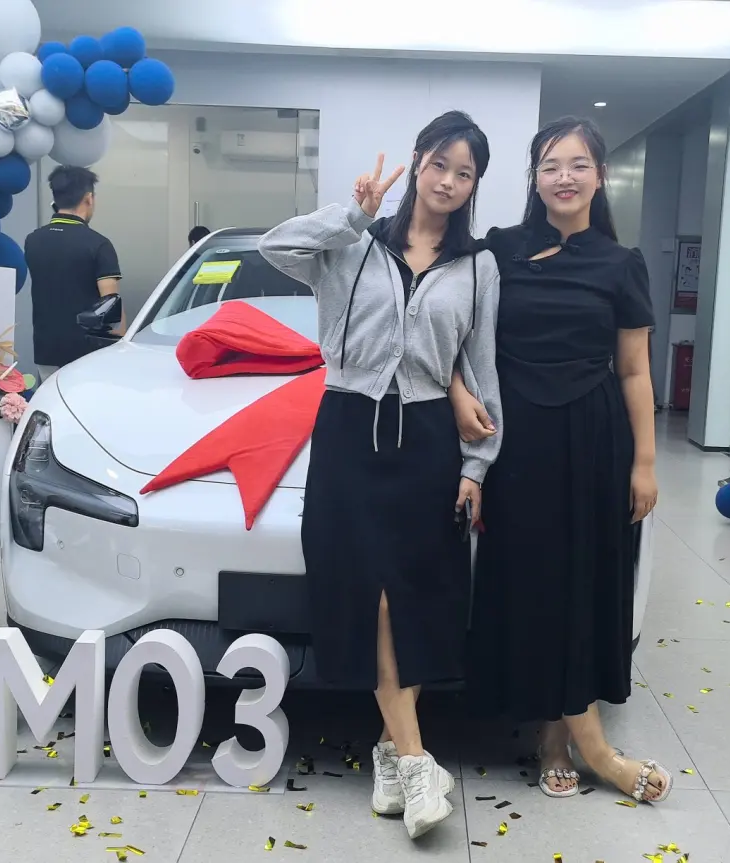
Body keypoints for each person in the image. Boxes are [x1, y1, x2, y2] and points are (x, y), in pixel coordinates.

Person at [259, 111, 501, 840]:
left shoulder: (478, 266)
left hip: (428, 437)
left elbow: (481, 366)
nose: (448, 181)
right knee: (370, 594)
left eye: (465, 173)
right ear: (418, 161)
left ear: (475, 185)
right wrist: (353, 214)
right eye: (440, 164)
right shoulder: (352, 244)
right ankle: (419, 760)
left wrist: (477, 465)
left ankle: (396, 755)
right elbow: (276, 246)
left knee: (413, 595)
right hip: (348, 428)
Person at [449, 116, 669, 804]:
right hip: (517, 439)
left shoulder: (621, 263)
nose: (564, 177)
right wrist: (459, 394)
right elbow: (451, 330)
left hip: (594, 436)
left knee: (584, 583)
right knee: (533, 582)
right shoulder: (498, 249)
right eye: (550, 165)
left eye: (577, 165)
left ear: (599, 176)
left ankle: (560, 739)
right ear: (534, 179)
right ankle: (574, 737)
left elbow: (634, 370)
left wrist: (644, 462)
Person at [25, 166, 124, 381]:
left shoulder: (33, 240)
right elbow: (111, 308)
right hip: (87, 354)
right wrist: (122, 347)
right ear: (88, 198)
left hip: (45, 350)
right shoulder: (99, 244)